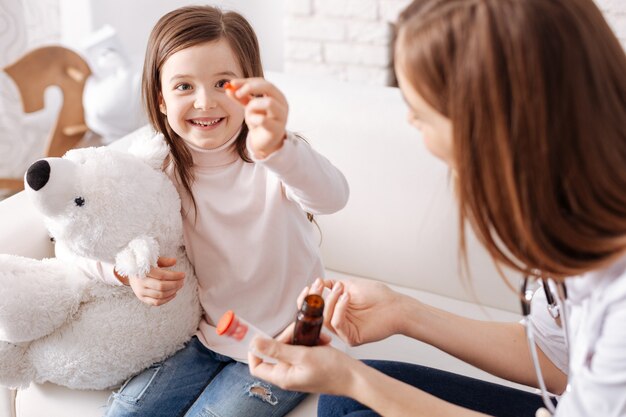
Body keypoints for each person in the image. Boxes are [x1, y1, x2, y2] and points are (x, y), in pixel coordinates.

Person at [246, 0, 626, 416]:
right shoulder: (577, 206)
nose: (410, 120)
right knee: (346, 402)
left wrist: (353, 376)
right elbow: (557, 362)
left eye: (421, 109)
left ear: (493, 124)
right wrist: (403, 312)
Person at [94, 5, 349, 417]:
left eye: (222, 83)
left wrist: (279, 149)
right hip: (208, 337)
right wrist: (125, 274)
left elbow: (333, 198)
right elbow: (79, 233)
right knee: (124, 411)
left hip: (288, 342)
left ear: (249, 89)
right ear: (160, 99)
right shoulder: (155, 166)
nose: (204, 102)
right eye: (183, 86)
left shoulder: (275, 155)